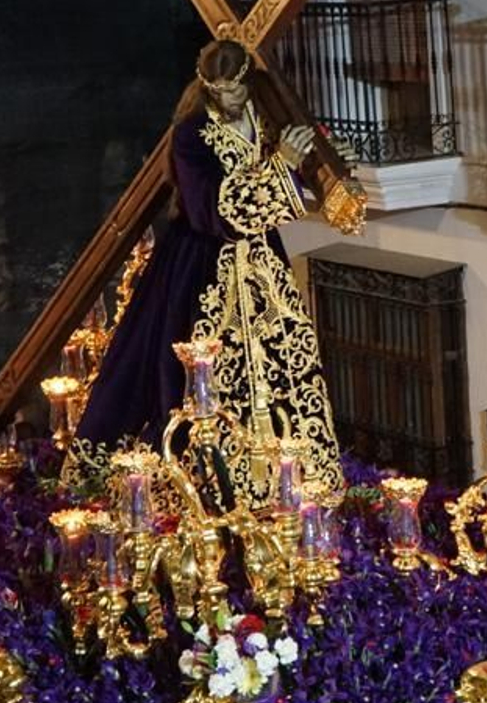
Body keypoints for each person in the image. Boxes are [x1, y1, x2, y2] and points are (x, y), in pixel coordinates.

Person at [75, 38, 343, 507]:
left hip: (262, 266)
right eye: (218, 93)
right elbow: (211, 210)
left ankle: (289, 472)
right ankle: (210, 483)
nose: (229, 100)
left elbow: (300, 173)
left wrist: (318, 168)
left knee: (280, 362)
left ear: (246, 81)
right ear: (206, 88)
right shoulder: (191, 134)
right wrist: (282, 166)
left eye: (235, 91)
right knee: (189, 376)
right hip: (202, 265)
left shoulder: (267, 117)